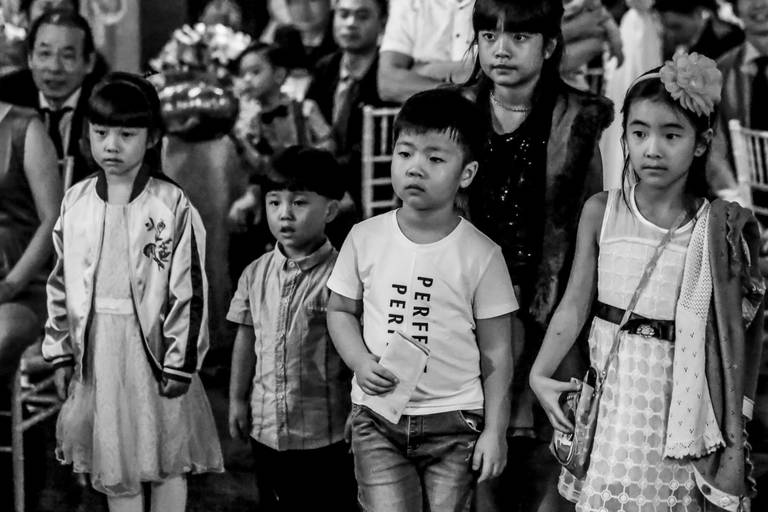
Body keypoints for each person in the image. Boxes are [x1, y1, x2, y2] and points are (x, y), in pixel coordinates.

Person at [530, 53, 765, 511]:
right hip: (613, 391)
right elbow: (574, 305)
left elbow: (734, 334)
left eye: (671, 134)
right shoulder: (603, 210)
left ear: (702, 142)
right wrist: (541, 372)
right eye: (639, 133)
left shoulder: (714, 229)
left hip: (677, 402)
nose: (652, 148)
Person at [327, 89, 518, 512]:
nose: (415, 167)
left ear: (466, 173)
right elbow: (339, 310)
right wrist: (360, 361)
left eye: (435, 159)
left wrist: (495, 431)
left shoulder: (482, 255)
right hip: (377, 419)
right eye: (405, 153)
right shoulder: (364, 236)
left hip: (455, 422)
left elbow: (499, 351)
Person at [42, 72, 224, 511]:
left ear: (152, 136)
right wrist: (62, 350)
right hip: (99, 350)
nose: (112, 146)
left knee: (165, 455)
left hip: (154, 351)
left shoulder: (170, 204)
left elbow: (190, 289)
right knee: (115, 457)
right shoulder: (77, 202)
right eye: (101, 133)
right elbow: (61, 281)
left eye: (127, 134)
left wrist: (181, 362)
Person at [459, 1, 613, 509]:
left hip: (551, 295)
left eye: (519, 38)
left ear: (548, 47)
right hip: (467, 298)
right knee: (473, 440)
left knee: (558, 437)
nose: (501, 50)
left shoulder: (578, 118)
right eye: (488, 36)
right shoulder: (456, 109)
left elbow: (592, 220)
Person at [227, 146, 356, 512]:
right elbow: (245, 338)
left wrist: (357, 412)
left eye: (299, 203)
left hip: (324, 434)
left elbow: (357, 351)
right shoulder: (255, 273)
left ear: (330, 210)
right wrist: (237, 399)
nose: (284, 214)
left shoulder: (343, 276)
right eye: (274, 202)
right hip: (266, 428)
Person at [0, 9, 102, 184]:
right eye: (45, 54)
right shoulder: (5, 96)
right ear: (30, 58)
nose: (54, 67)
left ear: (89, 62)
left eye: (67, 56)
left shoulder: (109, 104)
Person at [305, 0, 389, 209]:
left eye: (362, 16)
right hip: (321, 189)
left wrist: (325, 137)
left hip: (370, 195)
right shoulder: (325, 67)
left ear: (383, 22)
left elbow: (374, 153)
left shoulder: (387, 77)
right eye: (343, 15)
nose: (350, 23)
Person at [0, 102, 61, 378]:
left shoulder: (25, 128)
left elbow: (52, 219)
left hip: (22, 283)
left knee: (4, 331)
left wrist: (11, 285)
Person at [708, 0, 768, 199]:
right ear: (735, 8)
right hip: (743, 207)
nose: (758, 3)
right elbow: (715, 151)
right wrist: (739, 206)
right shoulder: (721, 72)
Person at [377, 0, 476, 103]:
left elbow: (489, 78)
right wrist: (457, 91)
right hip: (423, 116)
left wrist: (425, 72)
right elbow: (388, 83)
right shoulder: (408, 2)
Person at [656, 0, 744, 60]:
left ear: (699, 13)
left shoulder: (728, 44)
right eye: (665, 28)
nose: (670, 35)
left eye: (676, 27)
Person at [284, 0, 338, 68]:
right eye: (295, 2)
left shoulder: (343, 40)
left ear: (329, 3)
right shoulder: (285, 38)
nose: (303, 9)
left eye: (312, 1)